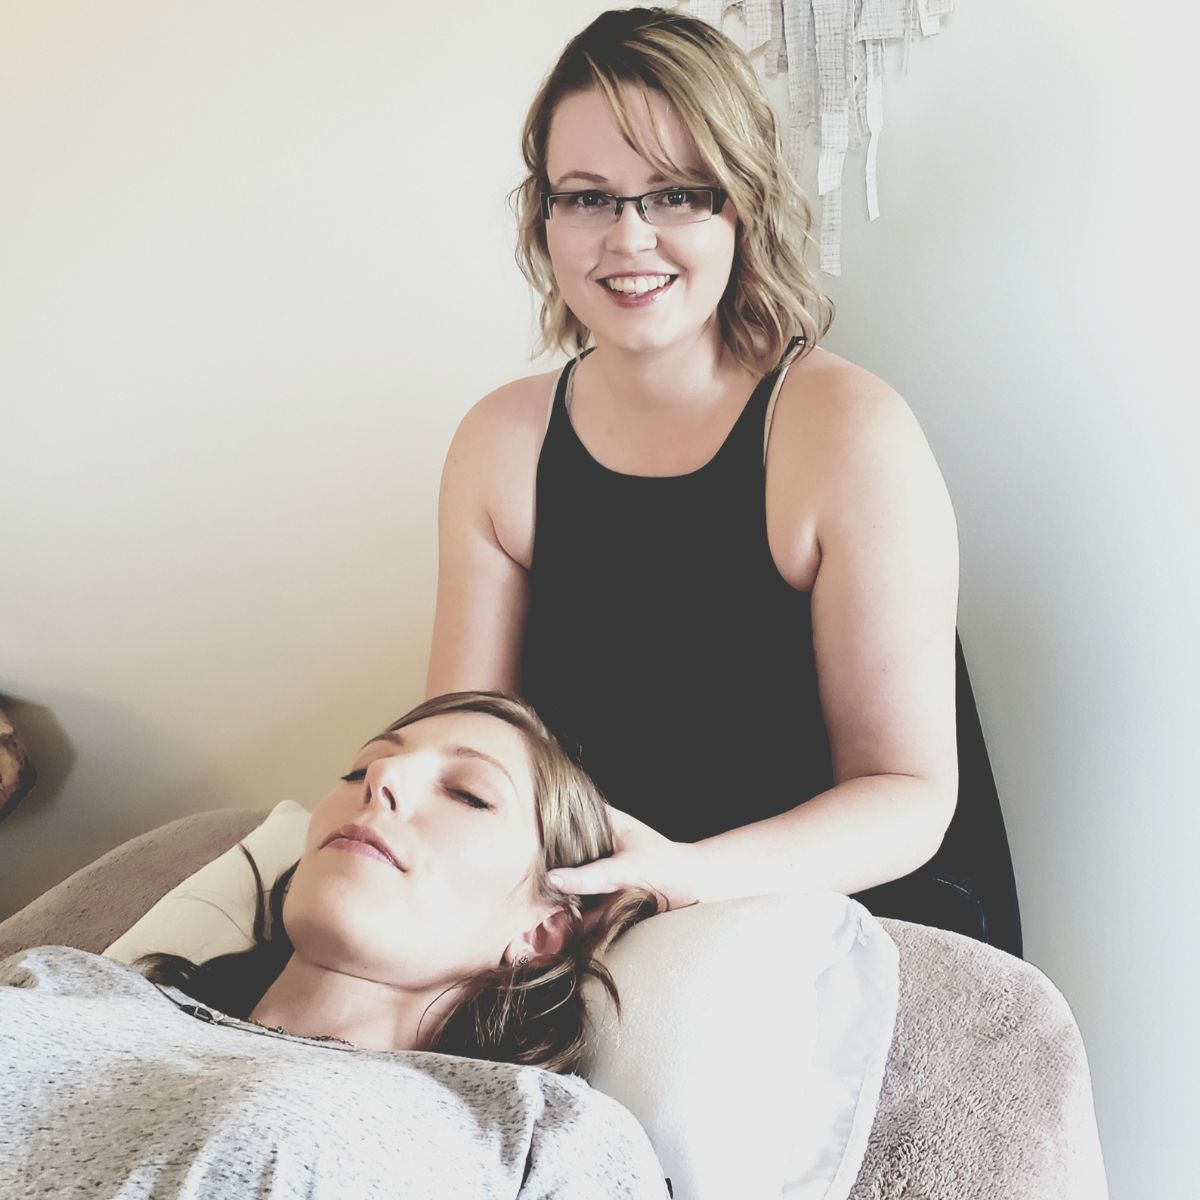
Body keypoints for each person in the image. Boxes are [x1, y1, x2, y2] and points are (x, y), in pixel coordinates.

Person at [426, 7, 1021, 954]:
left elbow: (907, 795)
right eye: (588, 198)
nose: (629, 238)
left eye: (676, 194)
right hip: (597, 913)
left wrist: (685, 880)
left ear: (741, 206)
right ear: (544, 219)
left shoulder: (846, 431)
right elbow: (462, 752)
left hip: (844, 921)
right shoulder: (499, 442)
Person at [0, 691, 671, 1198]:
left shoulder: (536, 1132)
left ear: (540, 933)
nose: (382, 781)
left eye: (469, 794)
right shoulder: (64, 980)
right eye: (359, 770)